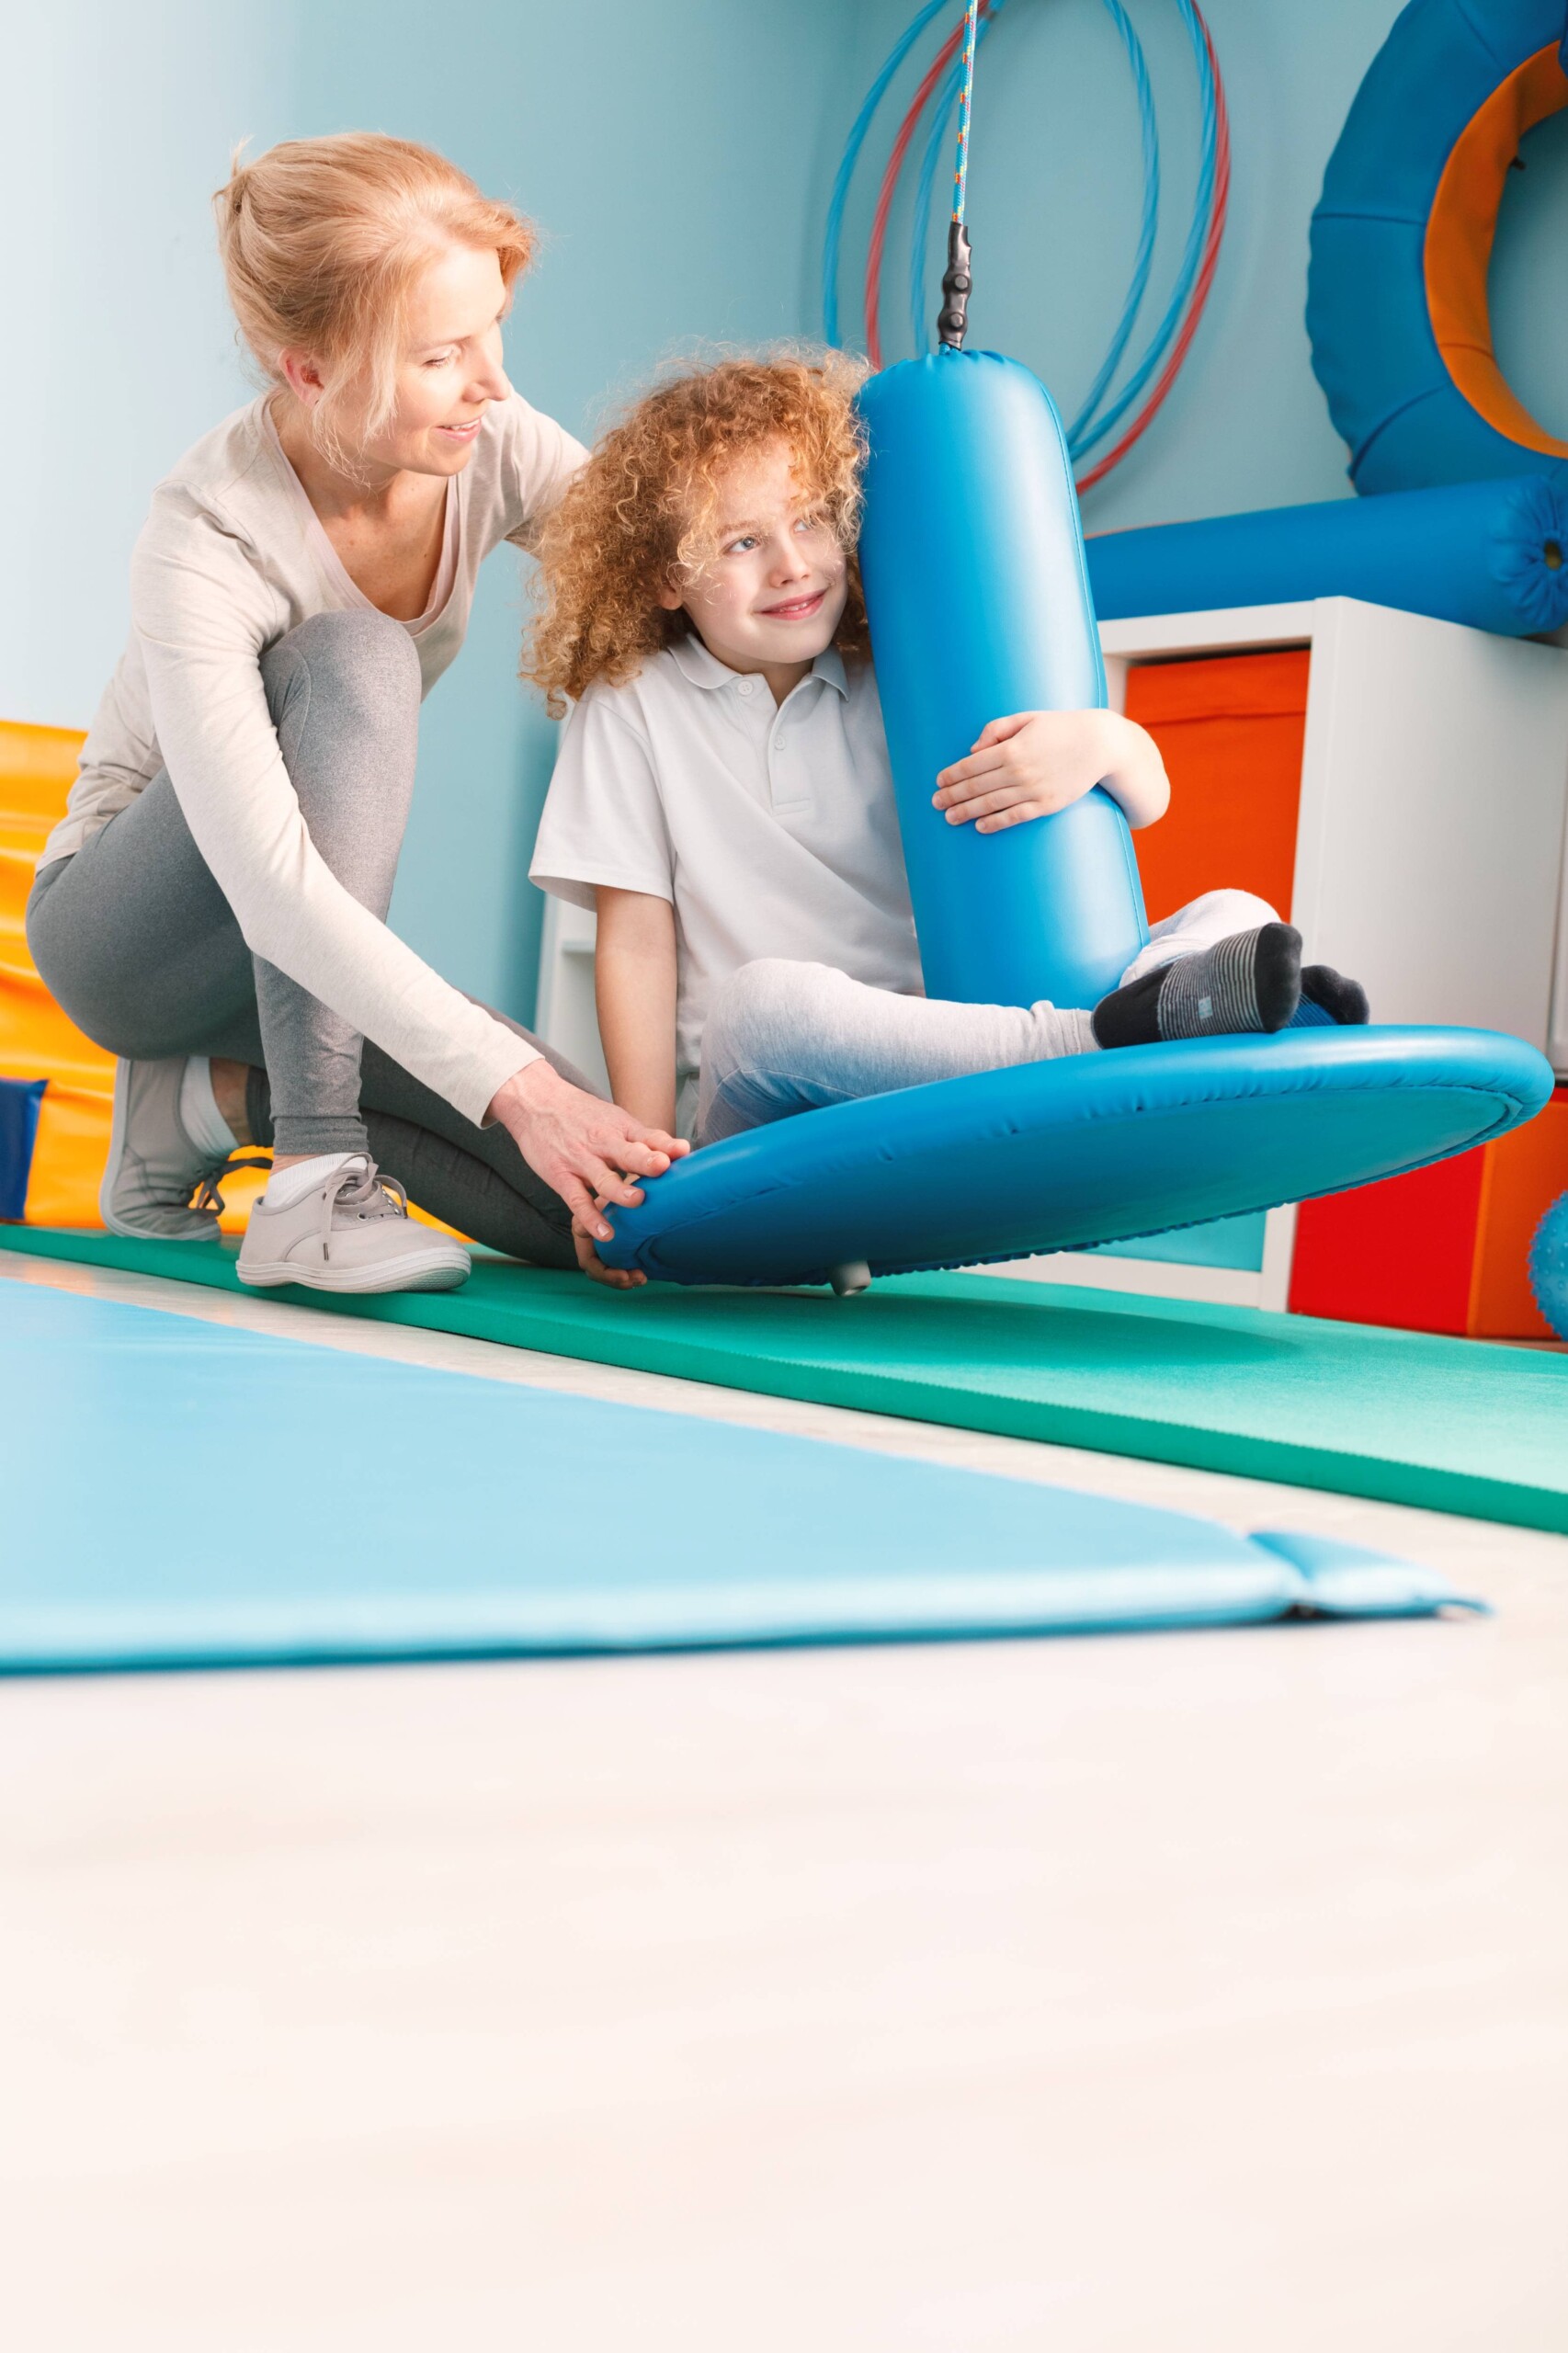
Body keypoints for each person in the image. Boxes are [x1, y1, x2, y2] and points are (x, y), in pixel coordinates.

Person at [27, 132, 685, 1298]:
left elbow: (680, 577)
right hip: (138, 937)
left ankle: (205, 1105)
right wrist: (515, 1086)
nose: (490, 380)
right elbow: (271, 881)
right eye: (443, 354)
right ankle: (311, 1177)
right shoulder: (205, 535)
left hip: (298, 968)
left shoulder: (485, 442)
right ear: (311, 372)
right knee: (359, 658)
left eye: (492, 329)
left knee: (610, 1218)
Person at [524, 354, 1367, 1197]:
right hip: (774, 1100)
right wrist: (636, 1161)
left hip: (950, 1058)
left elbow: (1151, 801)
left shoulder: (904, 670)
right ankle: (1108, 1046)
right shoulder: (633, 702)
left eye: (813, 521)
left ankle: (1170, 1008)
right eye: (743, 542)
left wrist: (1103, 744)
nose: (792, 566)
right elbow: (634, 941)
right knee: (760, 1005)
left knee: (1236, 911)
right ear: (668, 577)